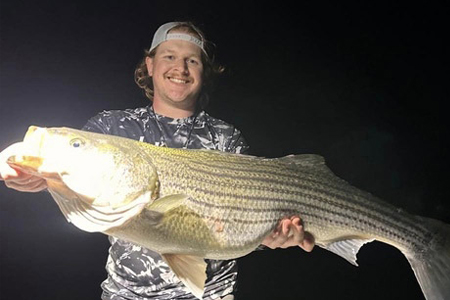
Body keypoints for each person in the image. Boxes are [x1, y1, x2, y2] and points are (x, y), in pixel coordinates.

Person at [0, 21, 314, 300]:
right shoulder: (112, 127)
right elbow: (70, 178)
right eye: (169, 56)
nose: (181, 67)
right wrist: (25, 170)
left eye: (192, 60)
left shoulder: (225, 137)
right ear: (149, 65)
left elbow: (246, 220)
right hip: (126, 294)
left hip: (211, 295)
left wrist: (272, 237)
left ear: (204, 71)